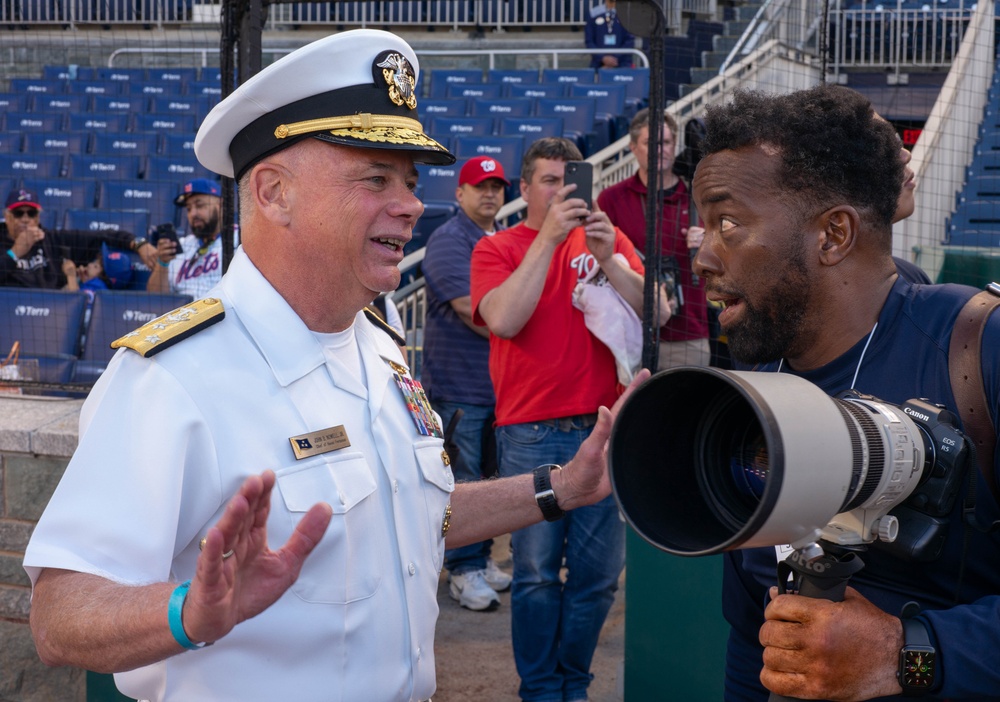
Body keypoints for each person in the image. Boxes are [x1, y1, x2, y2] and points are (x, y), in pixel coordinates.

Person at [22, 29, 648, 702]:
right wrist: (186, 613)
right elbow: (59, 617)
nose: (410, 204)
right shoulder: (172, 377)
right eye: (375, 178)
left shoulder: (378, 345)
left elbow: (412, 514)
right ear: (273, 192)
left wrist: (561, 486)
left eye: (409, 181)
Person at [691, 84, 1000, 701]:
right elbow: (756, 642)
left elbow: (908, 657)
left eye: (727, 223)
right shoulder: (751, 398)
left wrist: (907, 654)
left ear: (833, 234)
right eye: (701, 227)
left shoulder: (978, 353)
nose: (702, 256)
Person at [470, 136, 669, 702]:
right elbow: (504, 319)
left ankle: (572, 685)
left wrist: (608, 259)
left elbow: (655, 310)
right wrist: (551, 240)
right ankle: (539, 689)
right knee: (534, 576)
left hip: (605, 426)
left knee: (598, 577)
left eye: (570, 180)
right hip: (531, 430)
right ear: (526, 189)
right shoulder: (499, 248)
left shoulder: (603, 237)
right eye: (550, 181)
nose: (561, 192)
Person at [422, 155, 512, 612]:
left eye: (496, 186)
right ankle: (461, 569)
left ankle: (479, 557)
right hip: (459, 386)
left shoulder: (495, 239)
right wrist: (516, 329)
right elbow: (469, 308)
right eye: (481, 186)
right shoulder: (449, 239)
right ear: (460, 194)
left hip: (496, 386)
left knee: (491, 479)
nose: (491, 194)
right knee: (463, 480)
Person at [597, 107, 710, 369]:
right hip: (628, 332)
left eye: (667, 142)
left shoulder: (698, 196)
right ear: (633, 148)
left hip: (687, 334)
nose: (661, 149)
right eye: (651, 143)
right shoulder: (611, 199)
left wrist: (710, 241)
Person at [1, 187, 156, 288]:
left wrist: (139, 243)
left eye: (31, 213)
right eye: (18, 213)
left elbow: (103, 236)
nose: (25, 218)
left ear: (38, 218)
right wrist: (15, 252)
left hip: (53, 312)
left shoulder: (54, 240)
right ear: (7, 217)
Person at [146, 178, 225, 297]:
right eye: (188, 209)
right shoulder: (179, 246)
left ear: (221, 205)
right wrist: (162, 263)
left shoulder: (239, 241)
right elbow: (155, 299)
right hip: (182, 313)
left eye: (200, 205)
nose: (193, 214)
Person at [584, 0, 635, 69]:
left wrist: (614, 59)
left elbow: (630, 40)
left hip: (623, 64)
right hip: (598, 65)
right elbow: (589, 41)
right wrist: (603, 58)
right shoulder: (594, 13)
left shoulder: (627, 14)